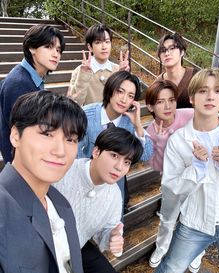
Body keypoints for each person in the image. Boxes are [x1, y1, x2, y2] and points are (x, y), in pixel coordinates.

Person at [140, 68, 219, 273]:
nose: (210, 97)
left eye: (217, 91)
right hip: (194, 220)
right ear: (192, 98)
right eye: (203, 91)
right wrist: (196, 168)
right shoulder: (179, 139)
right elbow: (170, 186)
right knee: (171, 269)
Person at [0, 90, 98, 273]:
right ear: (15, 135)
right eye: (46, 133)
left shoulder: (58, 201)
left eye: (71, 139)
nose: (60, 151)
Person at [54, 127, 143, 273]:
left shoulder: (114, 195)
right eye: (114, 156)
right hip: (48, 244)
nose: (120, 167)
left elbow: (109, 228)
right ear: (96, 151)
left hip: (78, 244)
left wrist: (111, 236)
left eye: (126, 162)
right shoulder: (66, 171)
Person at [146, 80, 205, 273]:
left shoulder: (189, 115)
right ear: (151, 106)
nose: (168, 106)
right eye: (161, 101)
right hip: (171, 183)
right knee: (168, 219)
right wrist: (162, 143)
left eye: (171, 100)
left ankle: (197, 253)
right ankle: (162, 248)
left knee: (197, 216)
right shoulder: (150, 132)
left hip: (196, 179)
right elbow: (155, 165)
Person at [77, 70, 153, 211]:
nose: (124, 99)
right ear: (110, 89)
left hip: (114, 185)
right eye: (120, 91)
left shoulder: (130, 123)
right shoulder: (86, 114)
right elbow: (76, 151)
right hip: (85, 180)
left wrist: (137, 125)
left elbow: (146, 155)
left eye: (130, 96)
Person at [0, 24, 65, 163]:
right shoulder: (19, 84)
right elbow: (21, 135)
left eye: (58, 50)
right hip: (22, 165)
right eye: (48, 47)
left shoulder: (32, 78)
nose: (56, 54)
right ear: (32, 48)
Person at [69, 23, 129, 106]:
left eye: (107, 42)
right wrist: (83, 75)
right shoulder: (79, 71)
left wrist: (122, 75)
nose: (104, 47)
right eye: (98, 42)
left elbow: (124, 100)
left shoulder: (117, 69)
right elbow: (75, 103)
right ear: (90, 47)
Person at [156, 32, 198, 108]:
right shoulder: (158, 83)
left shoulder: (196, 76)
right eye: (163, 50)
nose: (167, 53)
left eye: (172, 48)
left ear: (182, 52)